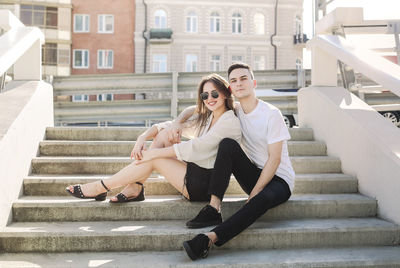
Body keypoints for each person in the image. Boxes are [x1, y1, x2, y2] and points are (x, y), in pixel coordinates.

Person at [65, 73, 241, 205]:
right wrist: (142, 137)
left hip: (206, 187)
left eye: (215, 94)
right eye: (205, 96)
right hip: (195, 173)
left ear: (225, 94)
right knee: (164, 135)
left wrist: (152, 154)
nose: (209, 99)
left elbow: (196, 148)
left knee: (155, 158)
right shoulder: (208, 117)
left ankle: (102, 186)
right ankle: (135, 187)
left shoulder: (228, 121)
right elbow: (168, 126)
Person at [180, 62, 295, 260]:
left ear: (254, 82)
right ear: (230, 88)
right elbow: (198, 108)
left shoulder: (271, 114)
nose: (239, 83)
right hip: (254, 173)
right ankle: (213, 208)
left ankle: (209, 238)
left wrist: (256, 193)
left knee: (263, 199)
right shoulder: (234, 111)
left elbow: (275, 159)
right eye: (233, 80)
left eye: (243, 78)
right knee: (227, 144)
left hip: (279, 180)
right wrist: (176, 122)